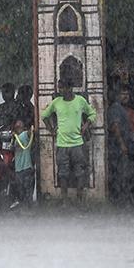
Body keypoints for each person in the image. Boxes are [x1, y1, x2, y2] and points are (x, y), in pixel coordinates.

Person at [42, 79, 97, 208]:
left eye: (63, 88)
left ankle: (80, 199)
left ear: (70, 88)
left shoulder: (80, 101)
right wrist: (51, 130)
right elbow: (44, 116)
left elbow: (92, 113)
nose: (61, 91)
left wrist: (86, 125)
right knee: (63, 173)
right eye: (59, 88)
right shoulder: (56, 102)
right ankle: (65, 200)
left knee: (80, 172)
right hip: (62, 144)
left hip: (78, 143)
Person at [106, 88, 134, 206]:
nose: (126, 96)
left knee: (123, 174)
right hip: (117, 148)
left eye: (127, 93)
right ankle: (120, 201)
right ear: (117, 95)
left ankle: (121, 200)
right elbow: (115, 127)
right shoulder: (116, 109)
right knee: (121, 174)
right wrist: (122, 144)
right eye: (123, 93)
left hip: (121, 147)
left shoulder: (121, 109)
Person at [11, 118, 35, 209]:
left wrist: (31, 130)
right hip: (19, 168)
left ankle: (28, 206)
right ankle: (25, 205)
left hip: (26, 166)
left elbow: (29, 133)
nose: (18, 125)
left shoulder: (24, 135)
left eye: (20, 123)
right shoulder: (16, 138)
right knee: (22, 188)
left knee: (26, 188)